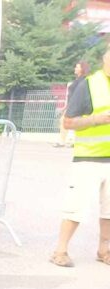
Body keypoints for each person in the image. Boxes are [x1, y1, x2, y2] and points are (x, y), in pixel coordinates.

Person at [51, 47, 110, 267]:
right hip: (88, 158)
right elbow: (68, 122)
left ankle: (104, 250)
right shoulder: (89, 85)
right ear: (105, 59)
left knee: (109, 211)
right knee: (76, 208)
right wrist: (96, 119)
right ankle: (60, 250)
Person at [58, 61, 91, 148]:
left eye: (77, 67)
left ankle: (67, 141)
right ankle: (66, 141)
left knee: (66, 121)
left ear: (82, 69)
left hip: (77, 106)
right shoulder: (77, 80)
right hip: (72, 105)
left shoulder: (83, 80)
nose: (75, 69)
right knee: (65, 121)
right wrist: (66, 106)